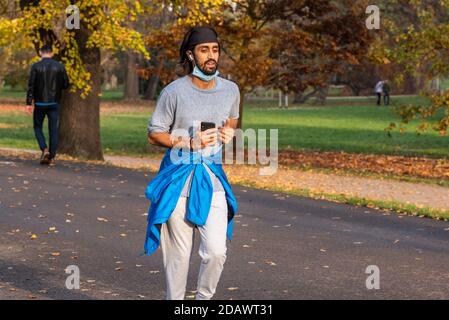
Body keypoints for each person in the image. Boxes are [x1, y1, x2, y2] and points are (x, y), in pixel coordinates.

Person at [143, 26, 240, 300]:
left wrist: (229, 133)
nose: (211, 56)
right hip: (178, 180)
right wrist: (187, 142)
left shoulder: (231, 90)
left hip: (212, 179)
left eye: (215, 49)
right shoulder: (173, 92)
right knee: (178, 258)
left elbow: (231, 120)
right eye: (204, 50)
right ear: (190, 54)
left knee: (216, 252)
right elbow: (154, 133)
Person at [26, 44, 69, 166]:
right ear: (52, 52)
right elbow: (66, 84)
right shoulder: (60, 66)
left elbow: (31, 86)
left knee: (37, 127)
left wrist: (29, 103)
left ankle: (44, 149)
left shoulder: (35, 66)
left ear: (40, 52)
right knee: (53, 130)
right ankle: (52, 157)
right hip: (54, 103)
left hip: (39, 103)